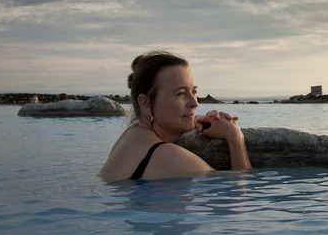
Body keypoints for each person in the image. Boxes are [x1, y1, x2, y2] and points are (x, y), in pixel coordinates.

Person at [98, 51, 252, 181]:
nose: (194, 103)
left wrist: (194, 118)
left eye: (194, 92)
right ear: (145, 104)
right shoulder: (170, 156)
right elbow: (237, 198)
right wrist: (235, 137)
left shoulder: (131, 135)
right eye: (181, 94)